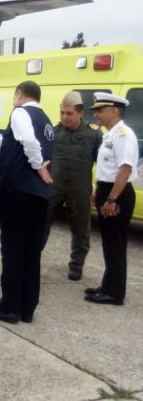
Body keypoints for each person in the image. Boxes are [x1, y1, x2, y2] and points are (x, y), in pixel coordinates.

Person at [0, 81, 53, 324]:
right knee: (31, 251)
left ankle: (9, 307)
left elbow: (28, 142)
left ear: (20, 94)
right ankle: (26, 308)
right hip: (39, 196)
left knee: (12, 250)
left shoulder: (21, 112)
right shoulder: (47, 120)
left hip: (18, 192)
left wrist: (37, 166)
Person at [85, 92, 138, 305]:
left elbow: (125, 169)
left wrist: (111, 199)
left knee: (115, 244)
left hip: (118, 194)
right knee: (109, 243)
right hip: (108, 190)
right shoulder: (110, 135)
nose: (96, 114)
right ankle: (108, 285)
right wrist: (99, 191)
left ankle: (114, 293)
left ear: (114, 110)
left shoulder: (123, 135)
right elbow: (108, 168)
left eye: (100, 110)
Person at [42, 91, 101, 281]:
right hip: (54, 185)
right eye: (62, 113)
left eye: (69, 113)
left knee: (81, 228)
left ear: (81, 113)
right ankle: (33, 257)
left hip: (79, 187)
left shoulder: (93, 133)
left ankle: (76, 265)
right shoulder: (55, 132)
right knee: (42, 223)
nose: (65, 117)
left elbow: (103, 163)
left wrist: (97, 187)